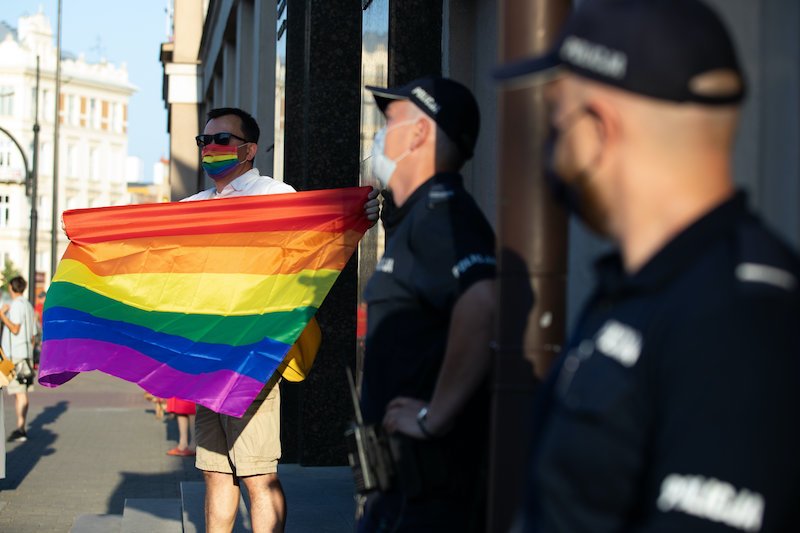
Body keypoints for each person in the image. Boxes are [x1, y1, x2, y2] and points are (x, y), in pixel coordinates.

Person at [495, 0, 800, 531]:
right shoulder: (637, 289)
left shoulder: (737, 318)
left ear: (601, 127)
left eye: (558, 120)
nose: (553, 146)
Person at [186, 107, 379, 533]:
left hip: (252, 356)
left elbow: (319, 232)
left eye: (221, 140)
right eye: (204, 141)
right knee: (215, 473)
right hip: (204, 359)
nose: (210, 148)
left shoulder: (273, 195)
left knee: (257, 473)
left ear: (249, 149)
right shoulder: (192, 207)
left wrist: (356, 210)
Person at [358, 77, 496, 532]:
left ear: (419, 134)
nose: (380, 134)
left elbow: (482, 299)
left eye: (391, 121)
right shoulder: (417, 215)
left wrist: (433, 417)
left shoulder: (443, 213)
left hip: (428, 490)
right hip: (399, 486)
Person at [1, 276, 37, 443]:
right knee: (21, 391)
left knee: (19, 391)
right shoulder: (28, 305)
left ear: (11, 288)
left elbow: (15, 328)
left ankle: (21, 428)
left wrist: (2, 316)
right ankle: (21, 425)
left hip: (15, 355)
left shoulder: (16, 305)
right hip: (25, 353)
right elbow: (33, 334)